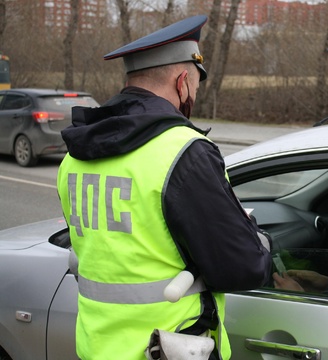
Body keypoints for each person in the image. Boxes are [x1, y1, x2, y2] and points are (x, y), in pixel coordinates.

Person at [57, 15, 272, 360]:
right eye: (196, 88)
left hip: (97, 348)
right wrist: (259, 239)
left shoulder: (75, 156)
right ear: (183, 80)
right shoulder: (184, 151)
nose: (194, 97)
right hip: (168, 348)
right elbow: (242, 267)